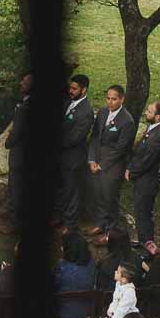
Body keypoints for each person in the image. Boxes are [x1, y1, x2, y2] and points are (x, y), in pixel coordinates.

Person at [85, 84, 137, 236]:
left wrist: (102, 165)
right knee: (99, 193)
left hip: (113, 165)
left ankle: (111, 232)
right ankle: (100, 223)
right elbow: (95, 136)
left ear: (122, 99)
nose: (110, 102)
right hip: (97, 159)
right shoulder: (102, 112)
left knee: (110, 198)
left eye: (114, 99)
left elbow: (121, 148)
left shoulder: (127, 121)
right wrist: (92, 159)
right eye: (108, 98)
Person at [125, 100, 160, 249]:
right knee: (139, 211)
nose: (146, 112)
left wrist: (131, 172)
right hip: (142, 179)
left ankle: (148, 243)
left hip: (147, 181)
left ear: (158, 117)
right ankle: (142, 239)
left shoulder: (158, 136)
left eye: (149, 111)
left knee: (143, 212)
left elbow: (146, 160)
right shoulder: (152, 129)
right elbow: (139, 152)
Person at [57, 74, 95, 235]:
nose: (70, 91)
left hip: (73, 158)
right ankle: (59, 216)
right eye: (70, 87)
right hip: (61, 156)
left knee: (72, 191)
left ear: (84, 90)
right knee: (61, 188)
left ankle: (70, 224)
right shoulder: (68, 102)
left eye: (74, 89)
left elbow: (75, 137)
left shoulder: (86, 112)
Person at [0, 72, 31, 234]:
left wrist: (8, 143)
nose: (20, 84)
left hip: (20, 153)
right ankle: (10, 211)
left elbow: (16, 132)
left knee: (16, 188)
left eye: (24, 82)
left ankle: (14, 223)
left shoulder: (24, 108)